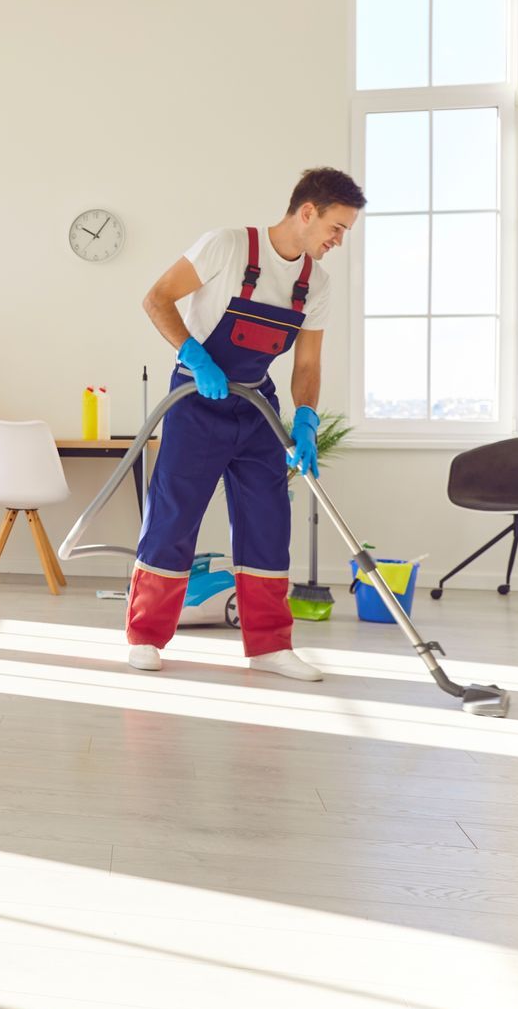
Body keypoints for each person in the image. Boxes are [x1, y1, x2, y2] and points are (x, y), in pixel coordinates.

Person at [126, 168, 366, 680]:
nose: (339, 241)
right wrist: (194, 355)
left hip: (256, 407)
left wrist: (305, 419)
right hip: (196, 399)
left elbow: (307, 364)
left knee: (268, 523)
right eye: (337, 228)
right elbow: (157, 298)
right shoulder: (229, 247)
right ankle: (145, 636)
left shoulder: (316, 283)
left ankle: (270, 647)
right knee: (173, 518)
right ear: (308, 212)